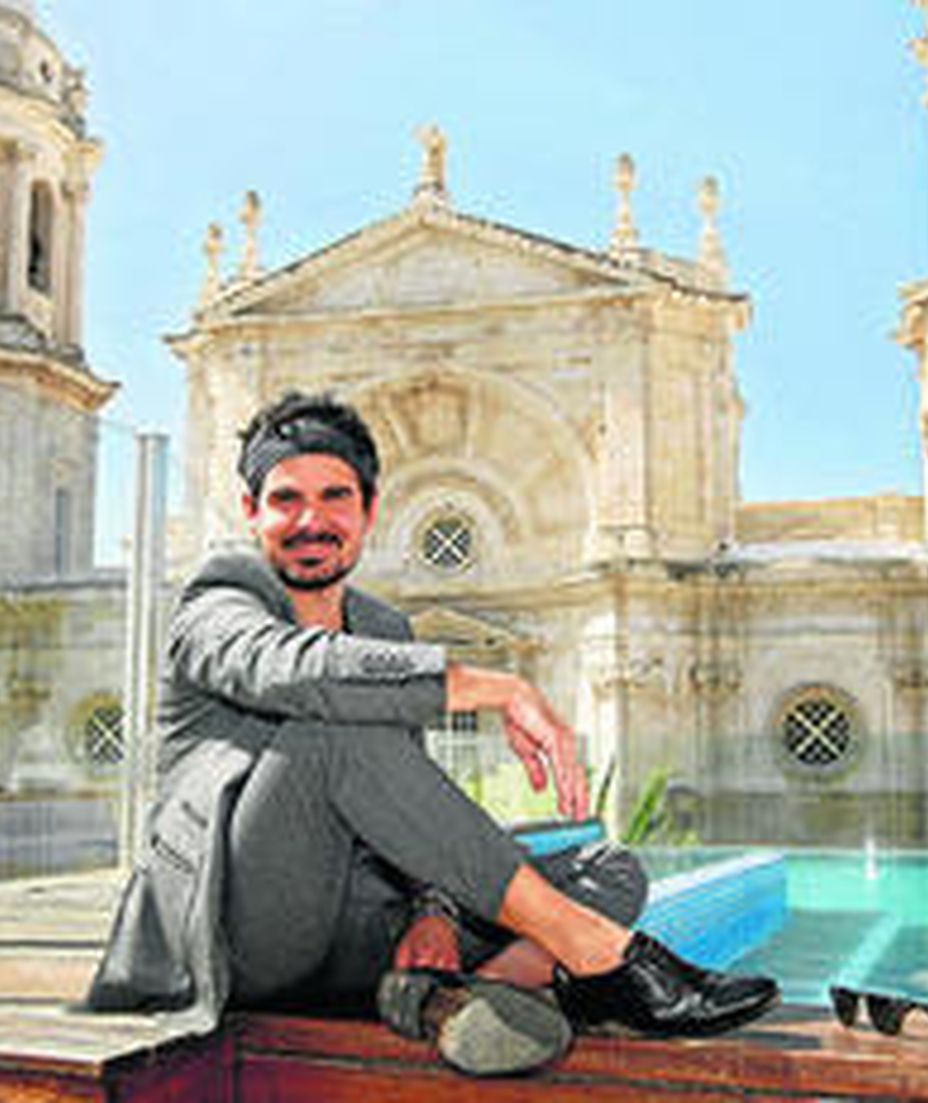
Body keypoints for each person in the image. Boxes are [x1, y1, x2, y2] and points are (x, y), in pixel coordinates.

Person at [86, 391, 777, 1075]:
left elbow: (402, 807)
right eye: (285, 498)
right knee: (329, 723)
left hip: (364, 941)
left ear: (369, 510)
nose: (310, 520)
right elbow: (293, 670)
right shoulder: (218, 597)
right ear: (250, 511)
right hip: (239, 931)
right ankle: (603, 956)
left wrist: (436, 911)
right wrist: (497, 686)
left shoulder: (384, 628)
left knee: (607, 866)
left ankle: (461, 997)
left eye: (334, 497)